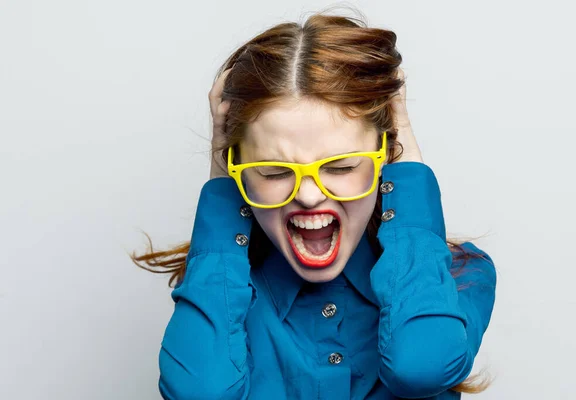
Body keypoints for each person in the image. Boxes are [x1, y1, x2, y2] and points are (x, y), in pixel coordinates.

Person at [131, 12, 497, 400]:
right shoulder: (219, 297)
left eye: (341, 166)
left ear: (383, 156)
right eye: (272, 172)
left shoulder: (462, 277)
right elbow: (198, 392)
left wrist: (405, 153)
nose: (308, 194)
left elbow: (420, 366)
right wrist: (222, 181)